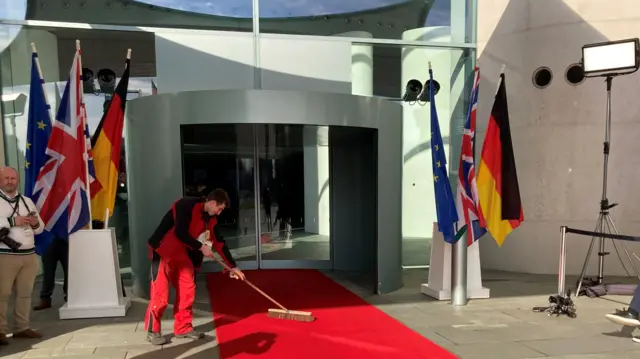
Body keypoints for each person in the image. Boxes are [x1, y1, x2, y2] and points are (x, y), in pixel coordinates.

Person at [144, 189, 245, 345]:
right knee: (160, 295)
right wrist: (201, 247)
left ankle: (183, 328)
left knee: (188, 290)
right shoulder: (185, 205)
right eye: (219, 209)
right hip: (162, 251)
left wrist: (233, 267)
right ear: (213, 203)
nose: (219, 213)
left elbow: (219, 243)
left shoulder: (210, 220)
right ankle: (153, 330)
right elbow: (180, 232)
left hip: (182, 255)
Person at [0, 167, 44, 345]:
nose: (10, 181)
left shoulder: (26, 201)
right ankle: (0, 330)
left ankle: (22, 327)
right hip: (5, 255)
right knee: (2, 294)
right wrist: (12, 221)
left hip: (29, 255)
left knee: (25, 293)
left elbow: (40, 228)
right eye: (7, 178)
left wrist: (34, 223)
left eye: (13, 178)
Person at [32, 237, 68, 310]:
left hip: (65, 239)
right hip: (48, 240)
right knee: (48, 272)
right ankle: (45, 299)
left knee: (69, 271)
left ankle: (69, 296)